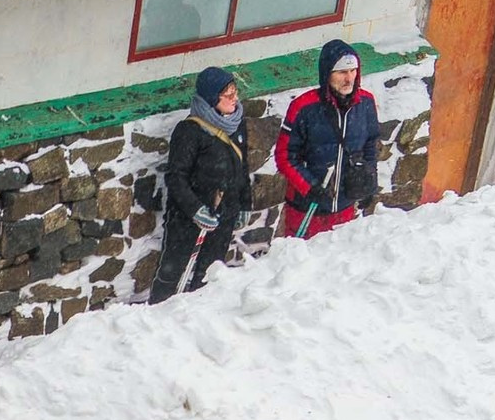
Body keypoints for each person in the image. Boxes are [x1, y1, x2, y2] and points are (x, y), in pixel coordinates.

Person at [154, 67, 253, 302]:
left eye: (235, 92)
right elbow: (176, 177)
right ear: (211, 98)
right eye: (227, 95)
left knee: (209, 275)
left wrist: (244, 203)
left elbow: (242, 167)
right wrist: (196, 209)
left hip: (223, 216)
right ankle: (158, 315)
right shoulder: (190, 131)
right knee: (174, 273)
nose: (234, 99)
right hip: (188, 220)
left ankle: (200, 317)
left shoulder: (237, 125)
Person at [275, 39, 381, 240]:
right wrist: (310, 187)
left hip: (345, 205)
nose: (349, 78)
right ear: (327, 74)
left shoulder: (365, 103)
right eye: (341, 72)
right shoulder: (304, 108)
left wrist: (369, 180)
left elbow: (371, 144)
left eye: (353, 71)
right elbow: (285, 156)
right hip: (307, 208)